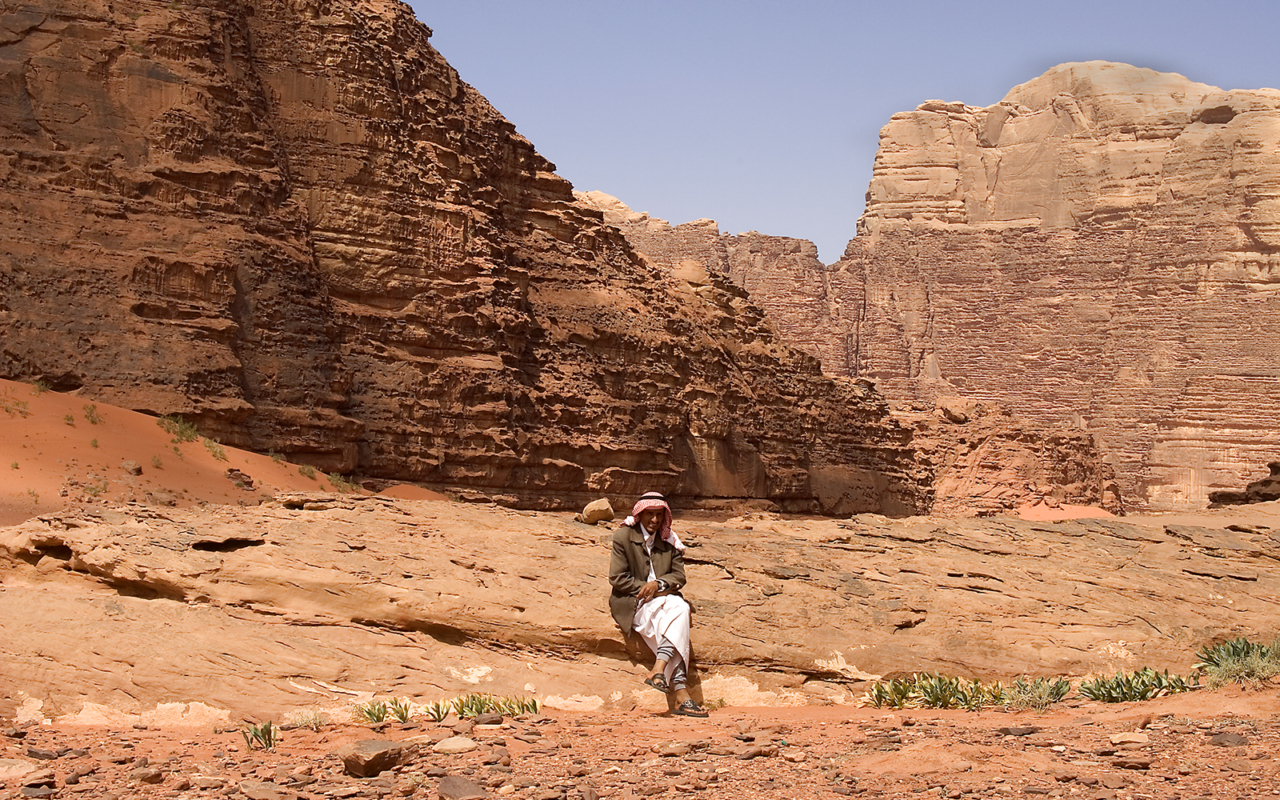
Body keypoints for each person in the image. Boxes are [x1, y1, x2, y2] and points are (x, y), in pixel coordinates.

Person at [608, 491, 709, 717]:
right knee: (677, 618)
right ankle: (681, 693)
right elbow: (617, 578)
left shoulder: (669, 540)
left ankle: (659, 670)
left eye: (659, 515)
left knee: (680, 609)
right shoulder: (623, 536)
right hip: (634, 602)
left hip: (665, 599)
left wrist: (659, 584)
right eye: (650, 514)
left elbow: (679, 576)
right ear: (640, 514)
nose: (654, 520)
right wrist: (646, 588)